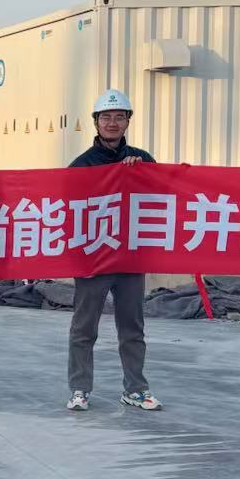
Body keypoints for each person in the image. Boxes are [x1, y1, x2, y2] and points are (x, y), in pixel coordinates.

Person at [66, 89, 160, 412]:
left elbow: (160, 199)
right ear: (96, 122)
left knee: (132, 328)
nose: (112, 123)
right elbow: (67, 209)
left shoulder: (142, 160)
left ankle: (135, 389)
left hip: (131, 257)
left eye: (119, 117)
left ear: (128, 122)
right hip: (94, 258)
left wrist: (141, 175)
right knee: (84, 327)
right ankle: (79, 389)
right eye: (106, 117)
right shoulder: (81, 165)